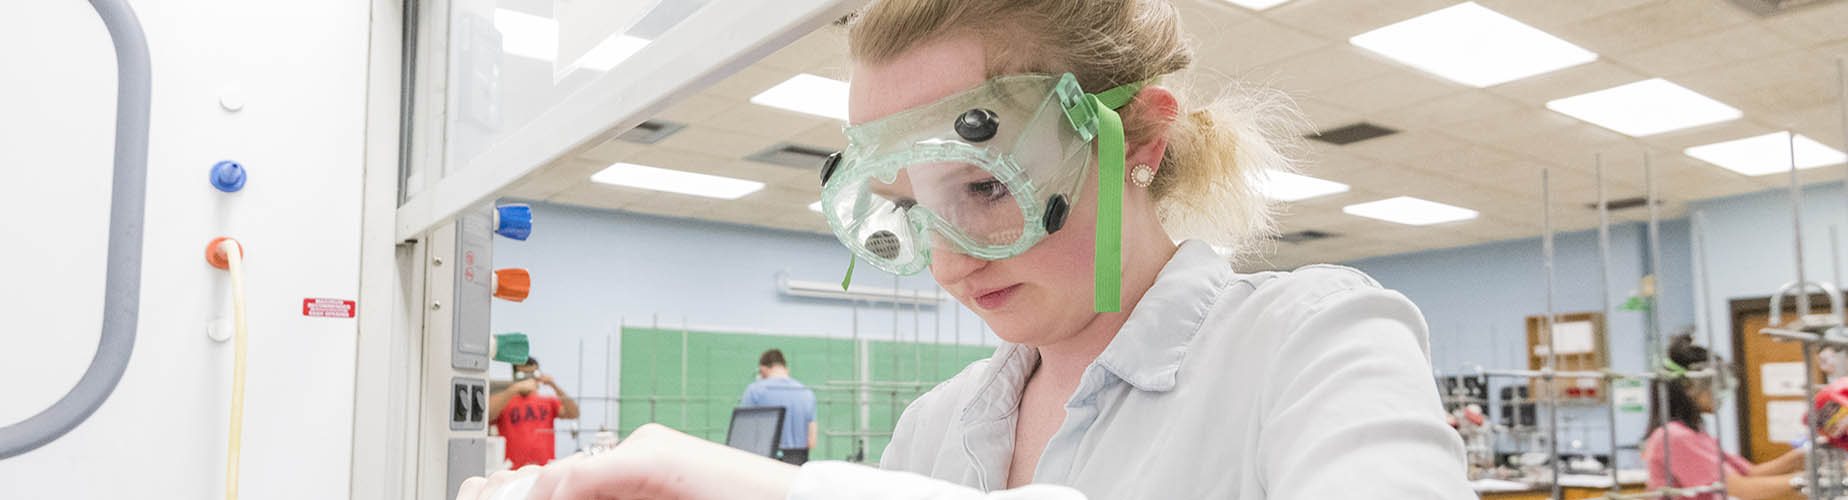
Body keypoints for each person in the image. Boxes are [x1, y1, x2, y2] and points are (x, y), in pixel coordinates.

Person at [456, 0, 1468, 497]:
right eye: (910, 207)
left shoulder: (1318, 340)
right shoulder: (938, 429)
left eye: (984, 187)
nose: (947, 263)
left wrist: (798, 489)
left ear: (1144, 137)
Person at [1644, 335, 1805, 500]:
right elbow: (1739, 489)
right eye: (1717, 383)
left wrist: (1802, 456)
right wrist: (1807, 482)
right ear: (1689, 386)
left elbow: (1750, 473)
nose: (1721, 393)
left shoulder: (1695, 434)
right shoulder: (1674, 437)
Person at [490, 357, 581, 470]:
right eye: (524, 375)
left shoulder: (549, 402)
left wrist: (554, 385)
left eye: (533, 374)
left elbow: (573, 413)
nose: (529, 379)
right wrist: (513, 390)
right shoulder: (504, 402)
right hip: (514, 471)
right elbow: (487, 417)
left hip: (544, 470)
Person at [740, 349, 818, 465]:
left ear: (763, 369)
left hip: (764, 465)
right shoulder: (806, 393)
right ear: (786, 369)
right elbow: (811, 441)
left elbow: (745, 435)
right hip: (796, 466)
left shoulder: (755, 391)